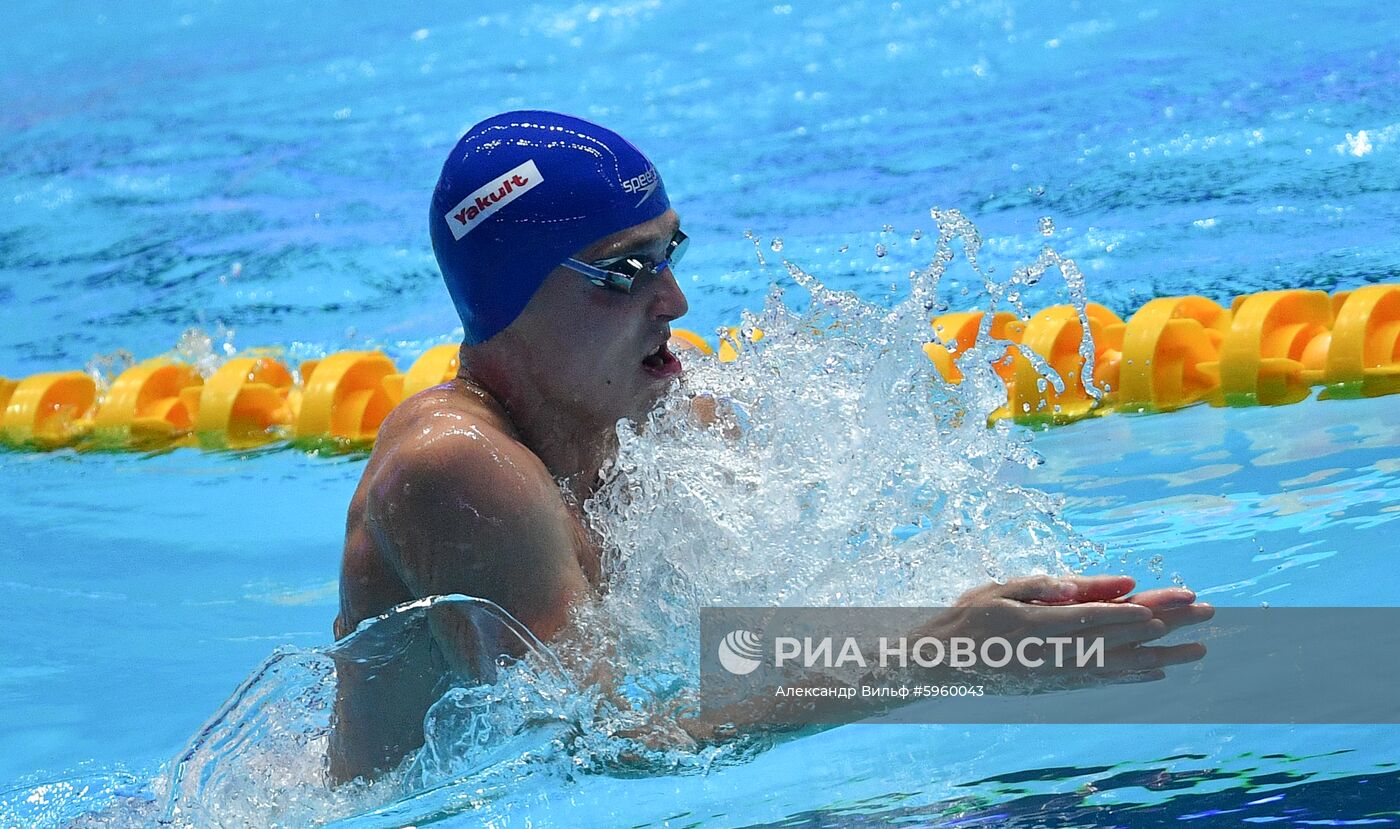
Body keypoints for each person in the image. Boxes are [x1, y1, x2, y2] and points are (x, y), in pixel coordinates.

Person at [329, 110, 1211, 782]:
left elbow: (751, 646)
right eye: (625, 271)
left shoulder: (653, 419)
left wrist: (991, 625)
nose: (674, 300)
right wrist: (938, 653)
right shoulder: (453, 467)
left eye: (669, 252)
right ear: (507, 297)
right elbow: (603, 748)